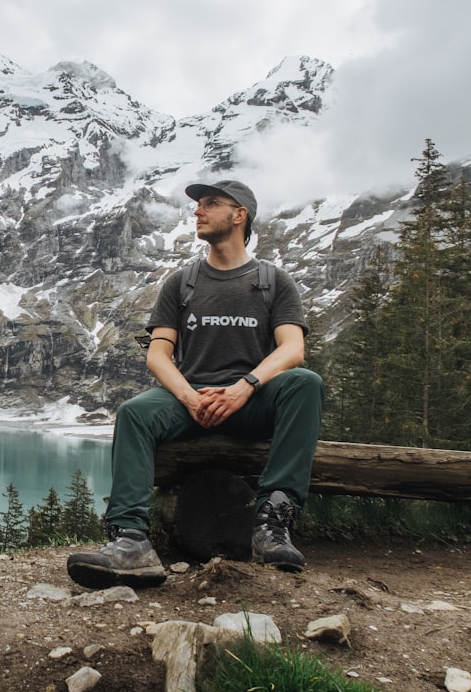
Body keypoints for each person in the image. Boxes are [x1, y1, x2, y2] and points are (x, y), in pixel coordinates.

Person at [67, 180, 324, 590]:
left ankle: (272, 524)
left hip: (250, 401)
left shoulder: (273, 281)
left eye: (210, 204)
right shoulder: (181, 282)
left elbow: (293, 349)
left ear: (239, 215)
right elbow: (157, 354)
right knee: (135, 412)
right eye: (198, 205)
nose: (198, 211)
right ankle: (130, 540)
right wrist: (187, 395)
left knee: (304, 384)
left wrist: (244, 387)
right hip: (190, 401)